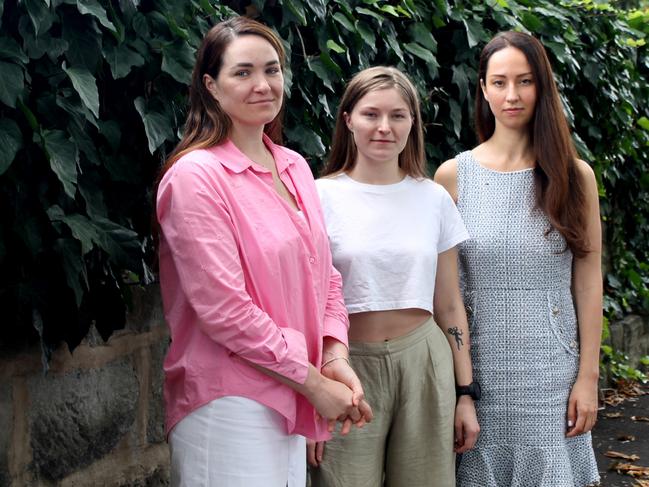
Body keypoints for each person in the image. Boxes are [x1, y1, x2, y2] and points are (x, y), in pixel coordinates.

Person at [155, 17, 372, 487]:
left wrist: (333, 356)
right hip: (230, 403)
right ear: (211, 86)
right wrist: (314, 386)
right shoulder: (196, 177)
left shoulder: (292, 166)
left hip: (292, 389)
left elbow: (325, 275)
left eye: (272, 70)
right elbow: (225, 310)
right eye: (243, 72)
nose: (262, 85)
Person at [435, 31, 602, 486]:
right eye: (500, 82)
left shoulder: (573, 175)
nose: (512, 95)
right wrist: (461, 386)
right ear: (484, 90)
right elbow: (446, 294)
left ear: (542, 88)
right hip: (478, 375)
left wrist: (588, 377)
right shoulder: (452, 176)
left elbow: (588, 280)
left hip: (552, 375)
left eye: (525, 81)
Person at [309, 66, 479, 487]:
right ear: (348, 119)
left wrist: (465, 394)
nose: (384, 127)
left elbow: (449, 303)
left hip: (424, 362)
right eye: (371, 114)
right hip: (344, 366)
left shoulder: (433, 198)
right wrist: (309, 393)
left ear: (412, 124)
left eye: (398, 115)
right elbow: (305, 304)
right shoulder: (316, 196)